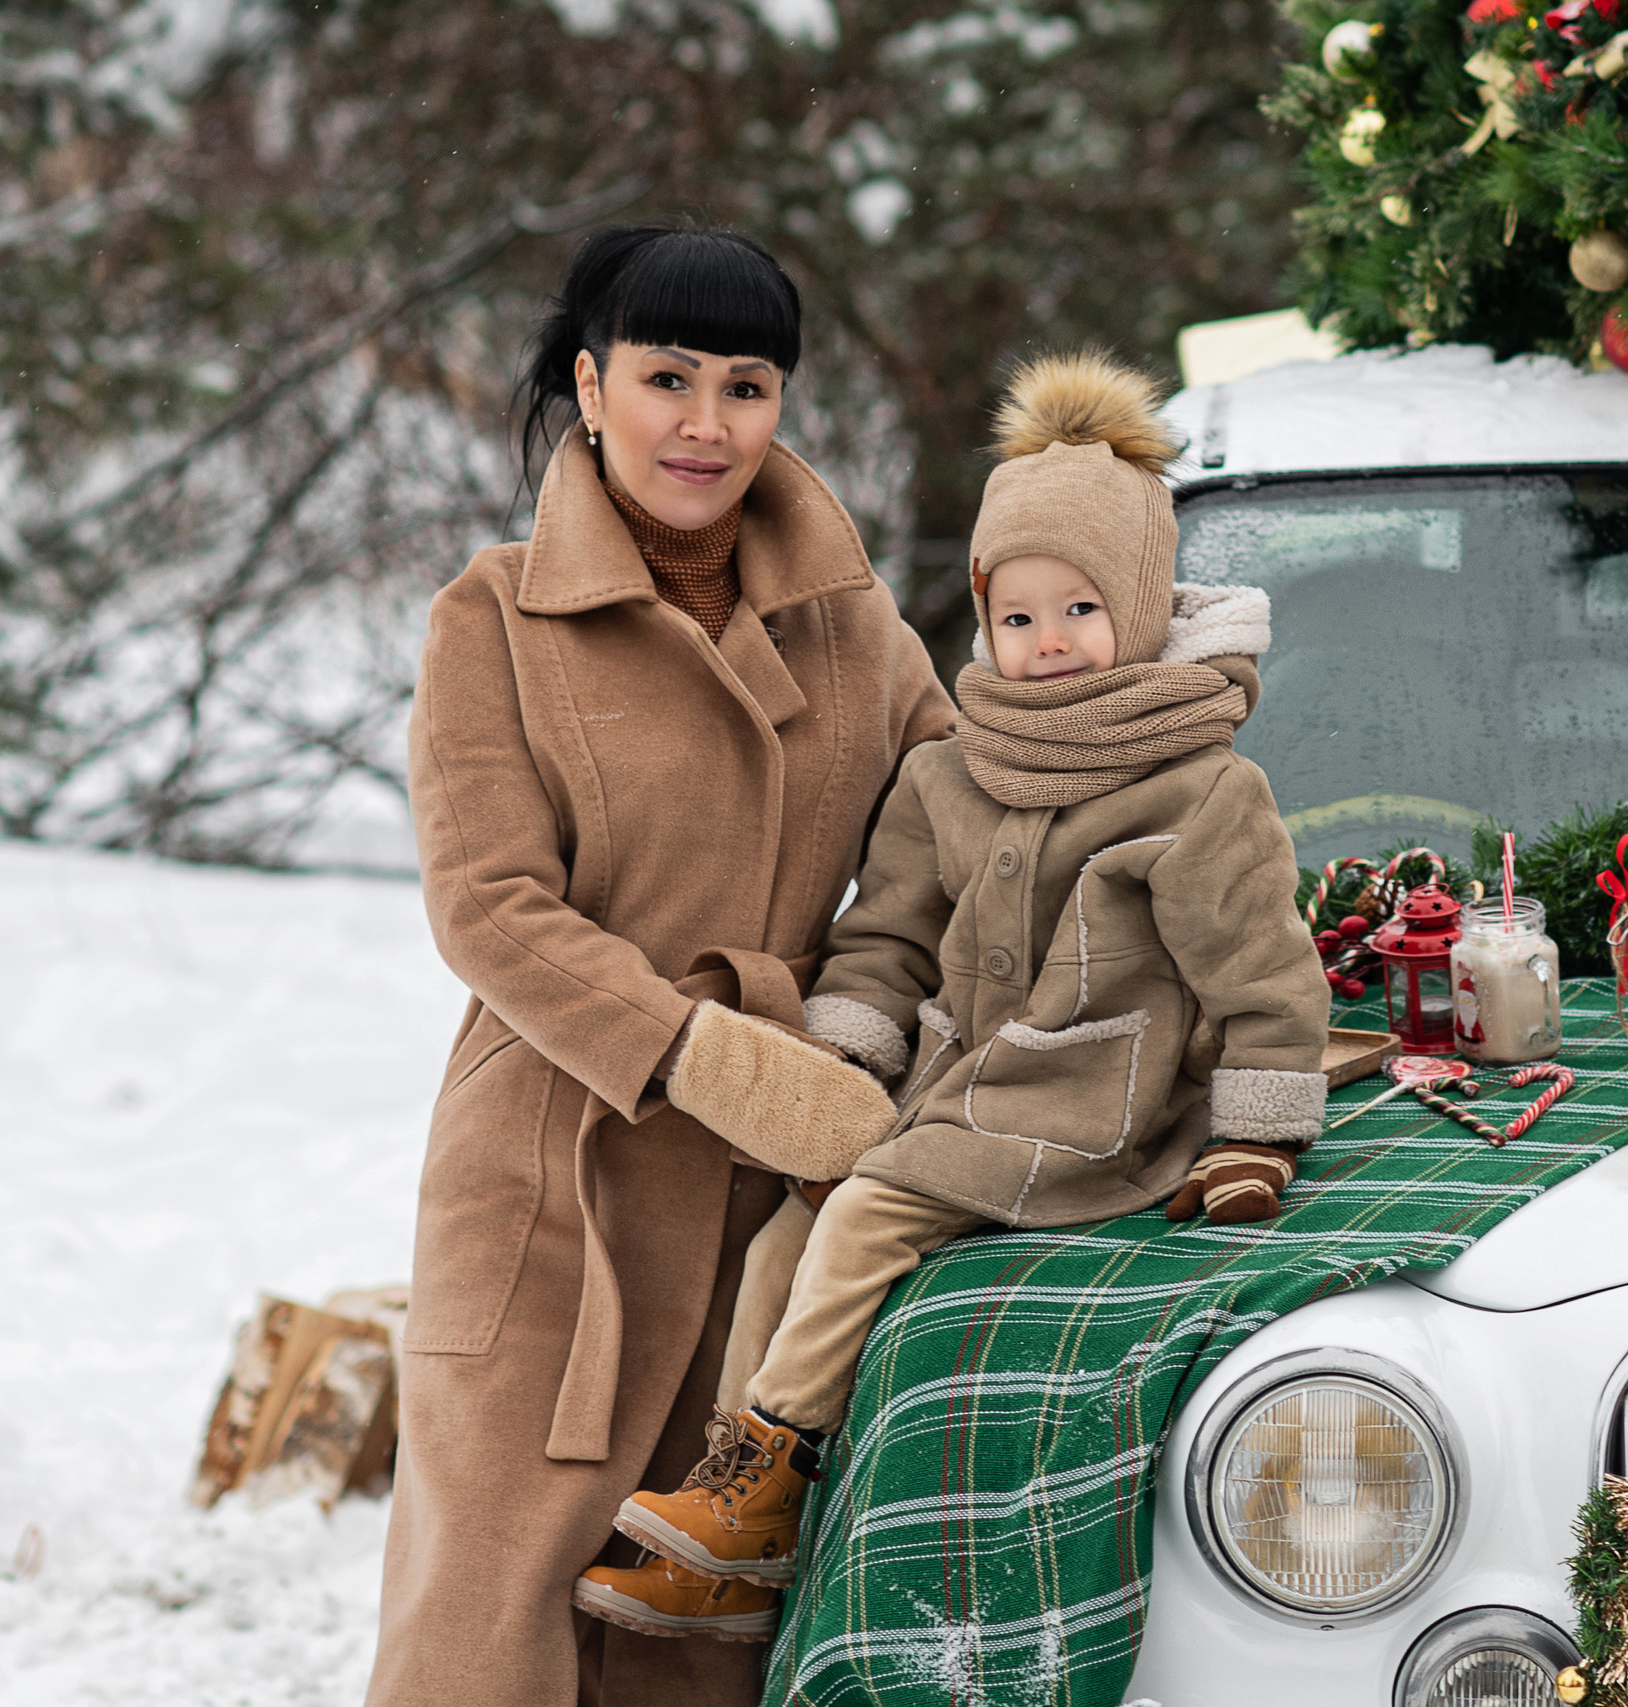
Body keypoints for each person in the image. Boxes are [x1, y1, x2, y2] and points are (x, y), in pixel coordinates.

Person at [573, 351, 1332, 1628]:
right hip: (956, 1101)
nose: (1048, 647)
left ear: (1141, 609)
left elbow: (1262, 972)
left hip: (1096, 1107)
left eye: (1081, 612)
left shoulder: (1196, 789)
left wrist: (1255, 1134)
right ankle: (744, 1508)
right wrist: (842, 1065)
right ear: (984, 617)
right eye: (1018, 618)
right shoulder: (950, 772)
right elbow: (887, 942)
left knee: (868, 1214)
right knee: (789, 1231)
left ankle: (763, 1472)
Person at [366, 224, 953, 1707]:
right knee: (487, 1615)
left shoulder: (858, 626)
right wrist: (706, 1056)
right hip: (557, 1163)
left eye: (747, 385)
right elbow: (491, 907)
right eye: (667, 377)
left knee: (692, 1629)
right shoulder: (492, 618)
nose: (706, 424)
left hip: (775, 1198)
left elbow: (962, 841)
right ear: (590, 382)